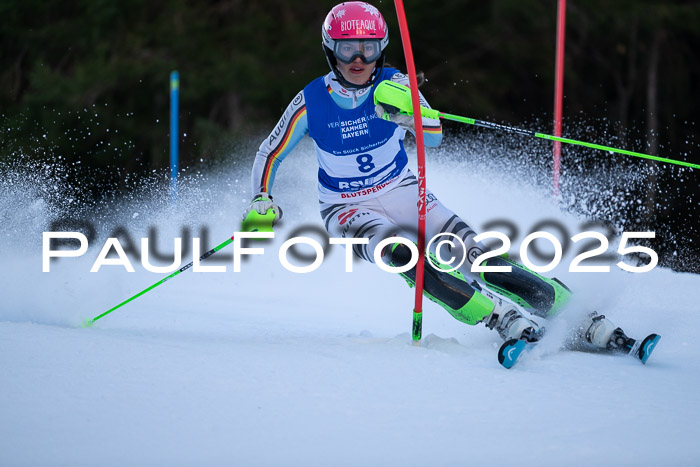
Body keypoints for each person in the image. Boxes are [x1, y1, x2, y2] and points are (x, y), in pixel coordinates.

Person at [242, 1, 657, 362]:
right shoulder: (310, 99)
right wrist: (263, 198)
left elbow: (436, 135)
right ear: (330, 50)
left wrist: (411, 116)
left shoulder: (395, 84)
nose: (358, 59)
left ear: (380, 49)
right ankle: (498, 317)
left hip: (404, 191)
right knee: (407, 257)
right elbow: (270, 151)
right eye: (348, 48)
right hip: (347, 208)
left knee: (479, 258)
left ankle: (581, 319)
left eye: (368, 49)